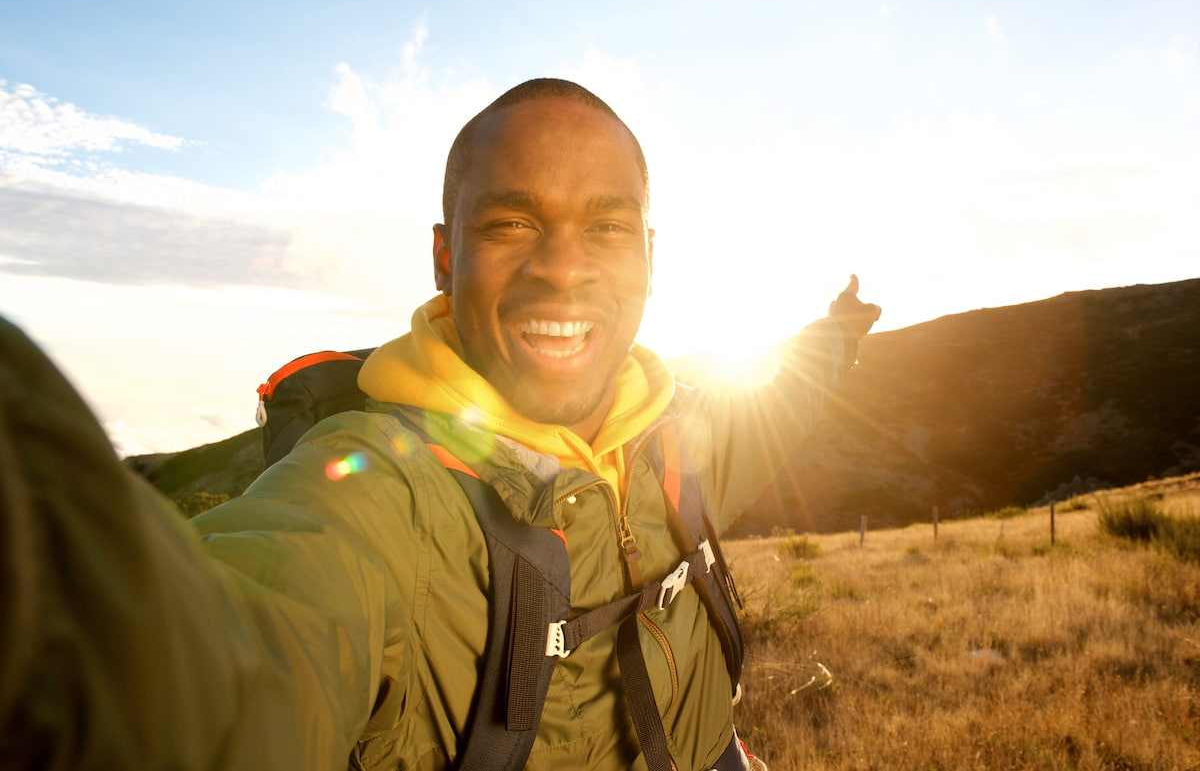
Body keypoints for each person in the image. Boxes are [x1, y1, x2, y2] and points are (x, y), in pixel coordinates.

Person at [0, 78, 880, 771]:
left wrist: (833, 338)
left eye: (606, 225)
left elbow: (778, 406)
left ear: (651, 257)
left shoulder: (674, 432)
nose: (564, 267)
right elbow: (223, 679)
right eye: (511, 221)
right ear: (444, 254)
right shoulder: (380, 492)